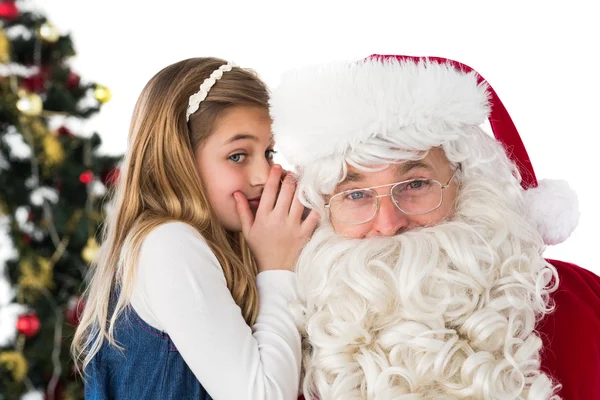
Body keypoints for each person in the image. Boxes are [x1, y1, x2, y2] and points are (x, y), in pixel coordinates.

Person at [269, 55, 600, 399]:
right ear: (324, 210)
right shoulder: (280, 345)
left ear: (468, 185)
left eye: (415, 185)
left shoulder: (583, 302)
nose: (388, 224)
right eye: (356, 194)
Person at [71, 57, 319, 399]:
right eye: (237, 155)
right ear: (178, 159)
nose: (264, 175)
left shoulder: (217, 243)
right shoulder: (169, 243)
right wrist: (277, 268)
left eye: (268, 152)